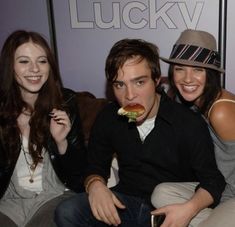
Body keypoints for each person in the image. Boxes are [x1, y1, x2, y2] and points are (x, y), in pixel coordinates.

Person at [54, 38, 225, 227]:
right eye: (119, 85)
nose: (129, 95)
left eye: (139, 82)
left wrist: (188, 210)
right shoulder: (109, 117)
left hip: (168, 210)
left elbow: (213, 181)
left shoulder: (187, 122)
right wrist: (95, 185)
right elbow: (94, 166)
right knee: (68, 211)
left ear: (156, 80)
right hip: (126, 205)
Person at [0, 30, 87, 227]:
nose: (35, 69)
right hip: (8, 201)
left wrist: (62, 143)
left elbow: (80, 176)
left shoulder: (65, 102)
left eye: (42, 61)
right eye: (23, 61)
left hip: (53, 195)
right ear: (9, 67)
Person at [154, 29, 235, 227]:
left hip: (232, 191)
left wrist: (197, 207)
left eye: (198, 69)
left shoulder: (220, 110)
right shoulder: (188, 102)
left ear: (211, 74)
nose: (187, 79)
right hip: (221, 186)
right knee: (161, 194)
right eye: (180, 68)